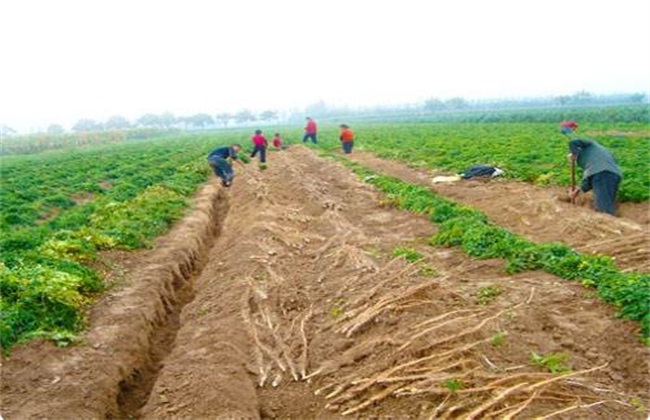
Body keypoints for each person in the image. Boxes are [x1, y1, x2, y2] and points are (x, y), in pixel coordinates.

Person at [567, 136, 622, 216]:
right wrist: (579, 190)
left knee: (604, 208)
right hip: (614, 175)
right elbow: (591, 179)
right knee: (607, 202)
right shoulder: (595, 154)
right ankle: (611, 221)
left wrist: (574, 153)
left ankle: (607, 224)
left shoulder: (590, 145)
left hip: (603, 174)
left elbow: (572, 142)